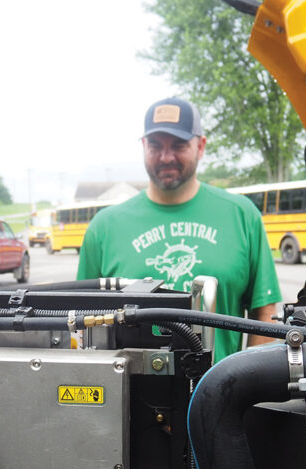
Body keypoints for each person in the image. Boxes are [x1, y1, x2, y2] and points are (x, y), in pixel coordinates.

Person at [77, 97, 282, 360]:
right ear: (143, 146)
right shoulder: (104, 227)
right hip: (128, 396)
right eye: (155, 145)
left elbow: (265, 316)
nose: (166, 157)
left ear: (201, 146)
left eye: (178, 145)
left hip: (218, 396)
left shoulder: (242, 215)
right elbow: (81, 325)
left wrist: (244, 389)